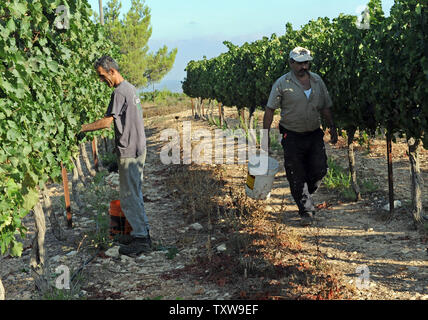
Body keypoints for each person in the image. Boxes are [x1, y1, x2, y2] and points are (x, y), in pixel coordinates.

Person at [80, 56, 152, 255]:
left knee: (129, 197)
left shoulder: (120, 92)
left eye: (103, 76)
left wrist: (82, 128)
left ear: (111, 71)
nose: (102, 81)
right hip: (138, 148)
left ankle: (141, 239)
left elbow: (106, 122)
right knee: (135, 193)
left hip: (130, 150)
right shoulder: (131, 88)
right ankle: (142, 233)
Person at [263, 47, 338, 226]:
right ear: (291, 63)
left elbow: (325, 106)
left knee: (320, 169)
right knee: (296, 173)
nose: (304, 66)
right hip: (292, 135)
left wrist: (333, 127)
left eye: (306, 62)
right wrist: (264, 136)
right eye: (300, 63)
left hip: (314, 133)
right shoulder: (282, 83)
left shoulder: (317, 81)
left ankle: (304, 193)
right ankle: (306, 210)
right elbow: (269, 110)